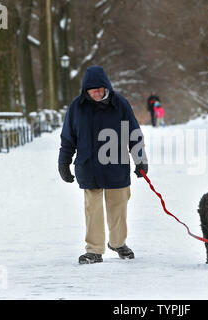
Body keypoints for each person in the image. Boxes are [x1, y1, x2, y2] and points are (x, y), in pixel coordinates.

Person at [58, 65, 148, 265]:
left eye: (100, 88)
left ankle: (117, 243)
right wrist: (64, 162)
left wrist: (140, 159)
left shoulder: (120, 104)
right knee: (93, 208)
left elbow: (134, 133)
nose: (97, 93)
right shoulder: (76, 107)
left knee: (119, 205)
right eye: (92, 89)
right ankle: (94, 250)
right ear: (85, 90)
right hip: (89, 166)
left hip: (116, 164)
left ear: (107, 86)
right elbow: (68, 138)